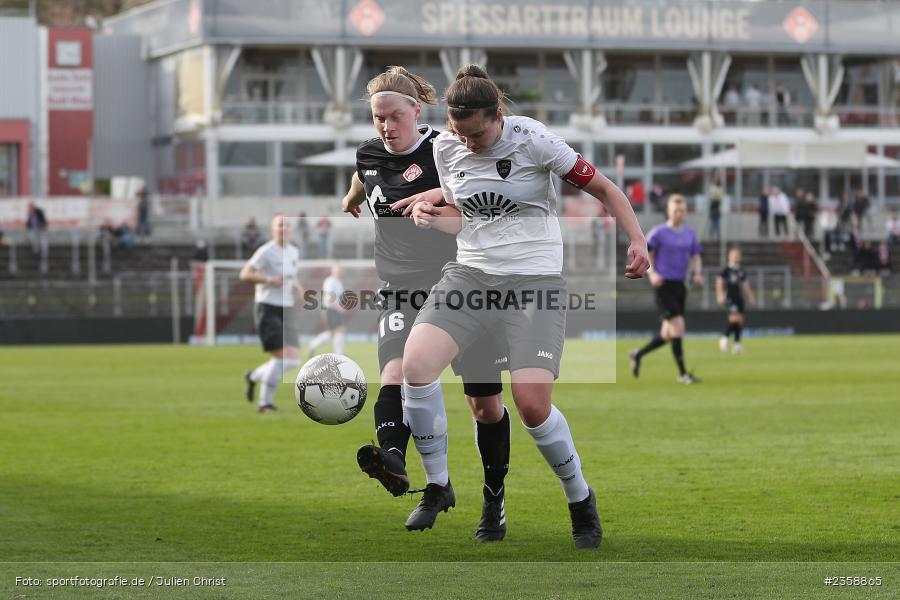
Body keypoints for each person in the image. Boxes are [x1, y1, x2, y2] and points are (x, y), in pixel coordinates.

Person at [396, 65, 649, 549]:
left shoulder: (535, 140)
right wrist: (432, 209)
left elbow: (605, 189)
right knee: (416, 366)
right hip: (470, 275)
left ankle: (579, 498)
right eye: (458, 133)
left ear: (499, 115)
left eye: (476, 134)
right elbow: (461, 206)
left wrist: (636, 238)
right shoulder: (447, 146)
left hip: (534, 281)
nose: (467, 143)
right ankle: (439, 485)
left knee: (532, 406)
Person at [340, 66, 512, 541]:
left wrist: (436, 215)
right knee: (396, 371)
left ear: (417, 110)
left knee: (485, 407)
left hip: (461, 287)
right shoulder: (369, 153)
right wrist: (352, 196)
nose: (385, 127)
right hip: (399, 287)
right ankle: (403, 465)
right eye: (377, 118)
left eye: (394, 116)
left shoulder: (448, 150)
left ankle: (493, 498)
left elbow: (477, 213)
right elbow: (366, 172)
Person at [629, 194, 703, 384]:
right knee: (678, 328)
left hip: (680, 285)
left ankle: (637, 354)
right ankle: (683, 374)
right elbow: (646, 253)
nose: (679, 213)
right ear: (669, 212)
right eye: (676, 210)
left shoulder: (690, 233)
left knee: (667, 335)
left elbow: (695, 256)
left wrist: (697, 273)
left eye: (682, 210)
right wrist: (652, 273)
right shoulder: (659, 232)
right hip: (663, 286)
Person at [239, 214, 303, 413]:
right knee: (282, 358)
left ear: (291, 230)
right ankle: (264, 404)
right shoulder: (265, 251)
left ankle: (254, 377)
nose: (283, 229)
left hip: (287, 308)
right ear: (272, 230)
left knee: (294, 360)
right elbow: (245, 274)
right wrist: (269, 280)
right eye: (279, 225)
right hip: (267, 307)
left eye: (286, 225)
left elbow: (292, 275)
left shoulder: (293, 251)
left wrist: (299, 289)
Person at [716, 247, 757, 354]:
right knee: (734, 319)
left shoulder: (741, 270)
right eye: (734, 255)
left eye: (738, 255)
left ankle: (737, 344)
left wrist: (751, 297)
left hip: (739, 297)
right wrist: (720, 295)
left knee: (740, 321)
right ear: (729, 256)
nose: (736, 257)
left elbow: (745, 285)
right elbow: (719, 283)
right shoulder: (725, 269)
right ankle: (724, 338)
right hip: (729, 297)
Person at [306, 264, 347, 358]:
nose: (340, 272)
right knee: (339, 330)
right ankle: (339, 354)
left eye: (341, 270)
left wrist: (341, 306)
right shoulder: (330, 281)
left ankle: (313, 344)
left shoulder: (338, 282)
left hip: (334, 310)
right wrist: (339, 307)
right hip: (330, 309)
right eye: (338, 270)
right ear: (333, 271)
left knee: (333, 332)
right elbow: (329, 297)